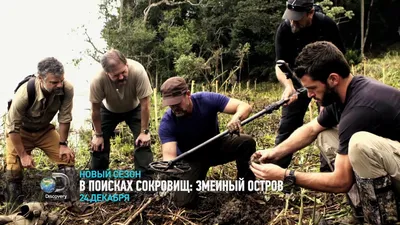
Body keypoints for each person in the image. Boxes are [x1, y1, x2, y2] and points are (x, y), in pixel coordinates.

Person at [250, 41, 400, 224]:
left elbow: (341, 181)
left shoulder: (359, 109)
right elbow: (311, 129)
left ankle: (382, 219)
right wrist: (274, 152)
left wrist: (286, 176)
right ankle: (364, 210)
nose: (310, 95)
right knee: (325, 134)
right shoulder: (343, 94)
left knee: (359, 144)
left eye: (312, 88)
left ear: (333, 79)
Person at [158, 76, 256, 208]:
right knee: (183, 202)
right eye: (171, 105)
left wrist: (236, 118)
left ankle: (246, 189)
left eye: (177, 103)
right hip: (192, 159)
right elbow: (169, 157)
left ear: (188, 94)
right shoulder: (167, 122)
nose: (175, 108)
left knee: (246, 142)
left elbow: (244, 106)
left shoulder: (206, 100)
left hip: (216, 147)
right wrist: (173, 175)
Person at [4, 57, 85, 212]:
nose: (59, 85)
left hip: (44, 131)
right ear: (40, 79)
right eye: (54, 82)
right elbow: (12, 127)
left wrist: (63, 145)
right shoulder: (25, 93)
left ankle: (74, 203)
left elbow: (65, 118)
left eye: (61, 80)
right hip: (20, 133)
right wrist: (23, 155)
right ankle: (13, 208)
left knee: (67, 158)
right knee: (13, 169)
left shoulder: (67, 89)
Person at [274, 0, 346, 170]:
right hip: (297, 81)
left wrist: (328, 94)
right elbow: (279, 64)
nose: (293, 22)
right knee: (287, 126)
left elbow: (340, 61)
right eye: (290, 17)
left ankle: (329, 172)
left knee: (330, 123)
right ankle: (275, 171)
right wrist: (288, 86)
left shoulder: (326, 25)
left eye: (297, 19)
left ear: (310, 13)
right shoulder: (285, 29)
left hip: (325, 82)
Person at [89, 49, 154, 178]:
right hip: (108, 111)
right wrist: (98, 134)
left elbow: (145, 104)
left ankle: (145, 183)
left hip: (135, 109)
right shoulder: (98, 79)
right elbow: (95, 110)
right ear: (107, 73)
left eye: (123, 72)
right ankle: (96, 183)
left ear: (126, 64)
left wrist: (144, 132)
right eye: (115, 75)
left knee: (143, 143)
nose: (121, 77)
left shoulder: (138, 71)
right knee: (99, 146)